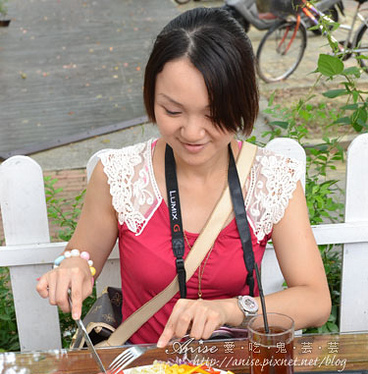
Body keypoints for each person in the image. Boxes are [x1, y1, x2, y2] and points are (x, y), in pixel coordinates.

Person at [36, 7, 331, 348]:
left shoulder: (272, 179)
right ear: (151, 97)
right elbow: (82, 258)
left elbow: (316, 301)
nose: (192, 132)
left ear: (243, 102)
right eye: (173, 111)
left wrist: (229, 310)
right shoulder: (120, 175)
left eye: (214, 114)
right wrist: (72, 268)